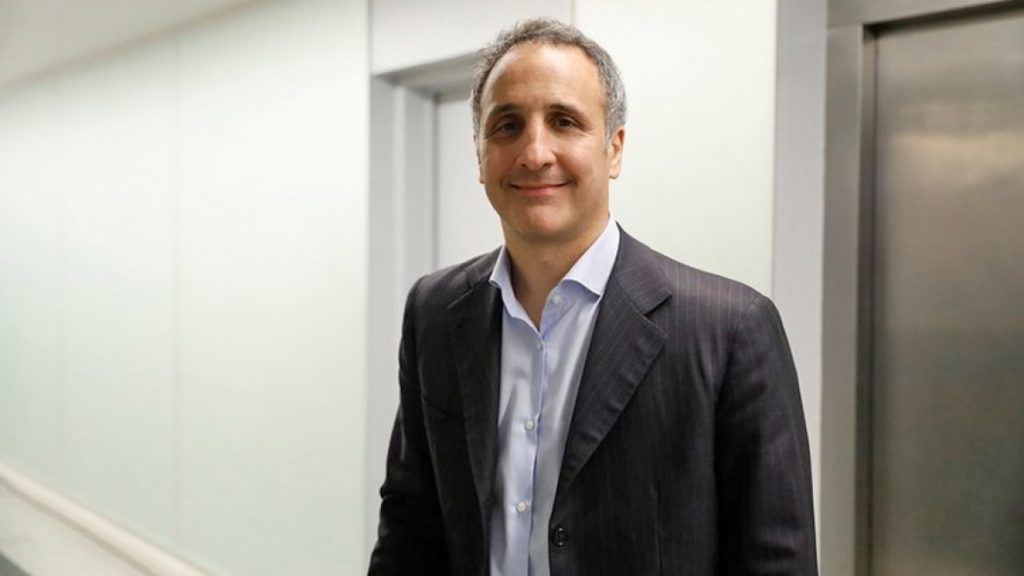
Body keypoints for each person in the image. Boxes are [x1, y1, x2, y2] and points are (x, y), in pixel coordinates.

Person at [368, 18, 817, 576]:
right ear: (480, 155)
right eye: (507, 125)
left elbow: (776, 561)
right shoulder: (434, 313)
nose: (535, 152)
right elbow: (409, 528)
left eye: (564, 121)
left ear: (614, 149)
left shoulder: (730, 329)